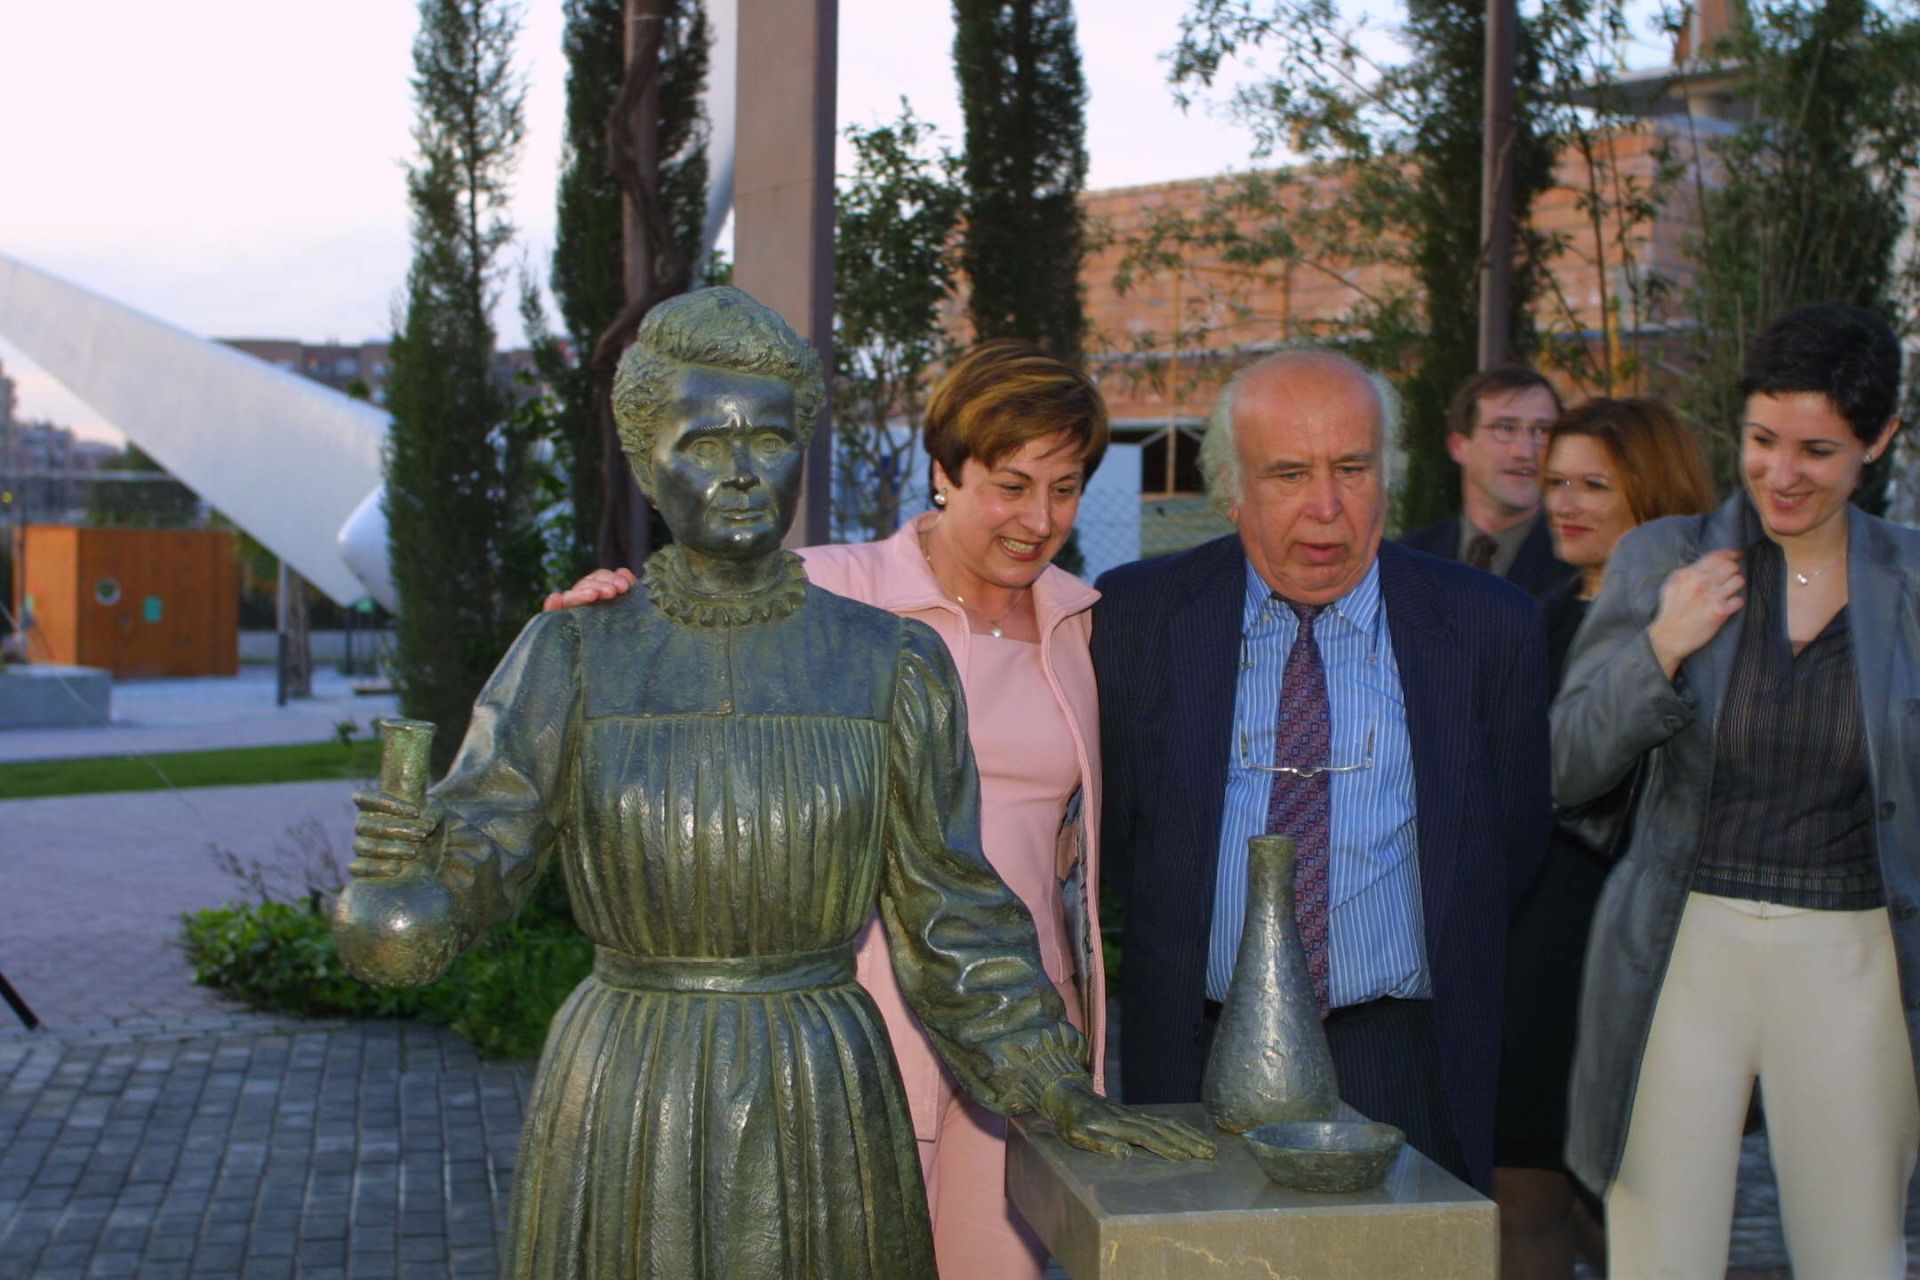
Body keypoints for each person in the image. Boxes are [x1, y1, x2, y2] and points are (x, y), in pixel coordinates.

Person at [335, 288, 1212, 1280]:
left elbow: (951, 907)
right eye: (704, 440)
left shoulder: (890, 660)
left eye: (771, 435)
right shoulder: (578, 650)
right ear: (644, 453)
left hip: (821, 1079)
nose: (743, 470)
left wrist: (1061, 1089)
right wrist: (414, 894)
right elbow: (465, 865)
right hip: (630, 1079)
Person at [543, 337, 1116, 1279]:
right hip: (857, 1025)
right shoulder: (827, 593)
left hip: (1017, 1022)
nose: (1038, 518)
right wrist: (606, 614)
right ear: (944, 472)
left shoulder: (1081, 619)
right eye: (1010, 485)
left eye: (1064, 489)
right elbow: (678, 642)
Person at [1094, 348, 1553, 1189]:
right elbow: (1125, 843)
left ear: (1392, 476)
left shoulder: (1491, 628)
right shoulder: (1134, 619)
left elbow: (1510, 844)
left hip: (1404, 1055)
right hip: (1197, 1052)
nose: (1327, 507)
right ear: (1232, 488)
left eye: (1352, 467)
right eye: (1289, 473)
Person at [1554, 301, 1917, 1278]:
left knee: (1859, 1258)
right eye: (1762, 440)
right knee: (1657, 1258)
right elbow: (1570, 766)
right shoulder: (1663, 558)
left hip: (1854, 963)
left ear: (1879, 439)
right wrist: (1661, 648)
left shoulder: (1912, 583)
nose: (1782, 473)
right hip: (1678, 948)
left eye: (1818, 449)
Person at [1493, 398, 1715, 1280]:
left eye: (1594, 484)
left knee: (1615, 1209)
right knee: (1527, 1192)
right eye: (1554, 483)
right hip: (1531, 937)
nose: (1565, 503)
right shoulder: (1530, 615)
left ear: (1652, 492)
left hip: (1630, 940)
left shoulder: (1700, 621)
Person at [1399, 364, 1575, 596]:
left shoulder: (1575, 566)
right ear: (1458, 445)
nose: (1524, 451)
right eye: (1506, 428)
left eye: (1542, 431)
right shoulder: (1405, 561)